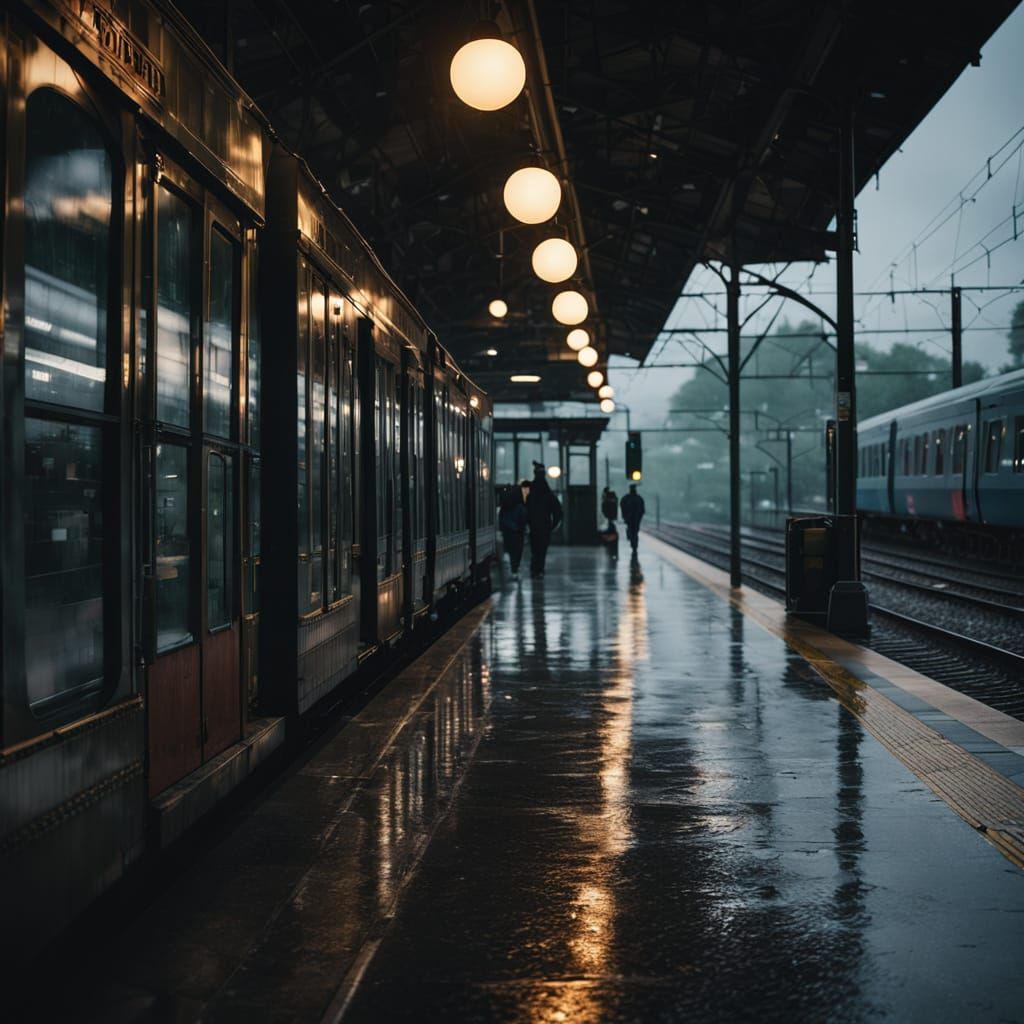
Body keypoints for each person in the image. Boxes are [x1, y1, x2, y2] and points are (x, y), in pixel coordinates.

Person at [525, 462, 562, 578]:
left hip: (532, 526)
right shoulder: (548, 493)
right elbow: (557, 511)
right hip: (545, 526)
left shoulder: (529, 491)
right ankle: (539, 569)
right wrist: (553, 526)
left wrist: (525, 523)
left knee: (535, 549)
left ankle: (535, 568)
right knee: (542, 549)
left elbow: (523, 507)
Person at [498, 483, 528, 578]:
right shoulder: (520, 507)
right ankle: (515, 568)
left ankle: (513, 568)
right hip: (518, 532)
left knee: (511, 551)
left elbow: (501, 518)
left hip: (507, 531)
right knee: (517, 551)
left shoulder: (505, 506)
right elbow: (523, 518)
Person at [620, 483, 645, 554]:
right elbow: (642, 510)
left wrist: (625, 517)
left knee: (631, 531)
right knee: (635, 532)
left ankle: (633, 545)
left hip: (630, 519)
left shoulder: (625, 498)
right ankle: (634, 546)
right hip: (636, 519)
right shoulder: (639, 498)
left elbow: (622, 508)